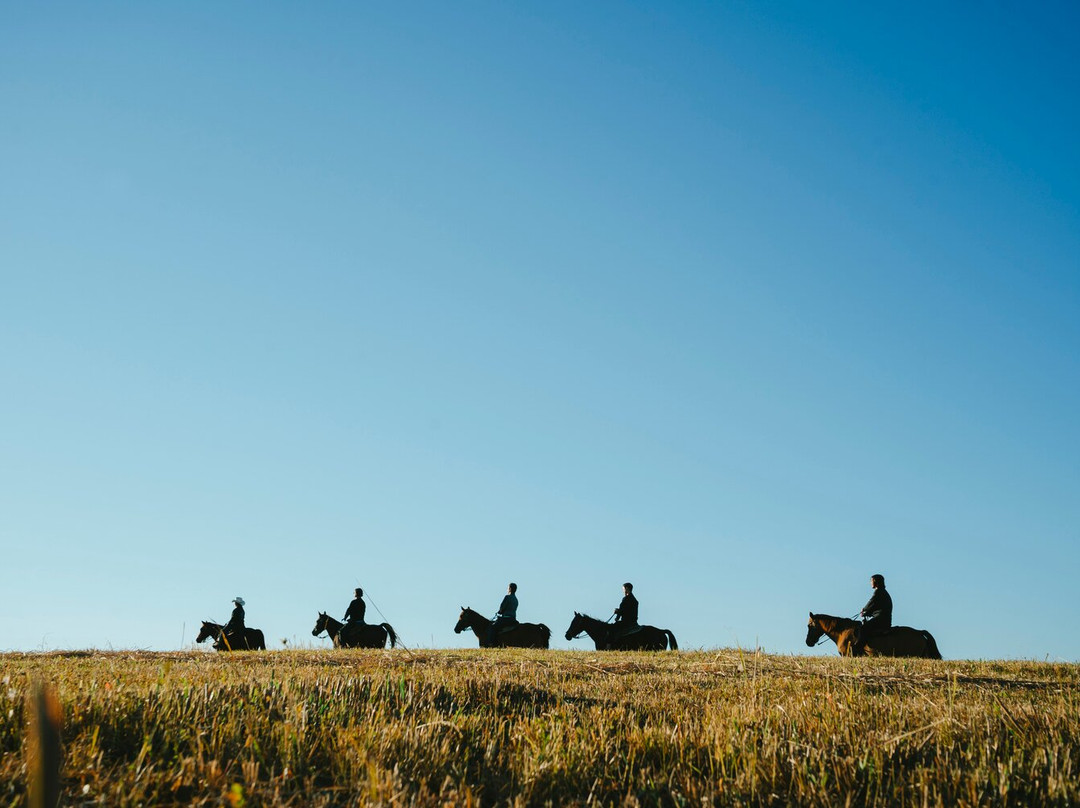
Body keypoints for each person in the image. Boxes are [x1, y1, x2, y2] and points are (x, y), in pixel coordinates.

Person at [852, 574, 893, 656]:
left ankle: (858, 649)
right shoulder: (883, 592)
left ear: (876, 582)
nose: (870, 583)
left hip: (880, 619)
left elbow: (871, 603)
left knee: (863, 629)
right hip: (884, 618)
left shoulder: (878, 592)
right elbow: (875, 606)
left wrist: (864, 611)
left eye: (871, 581)